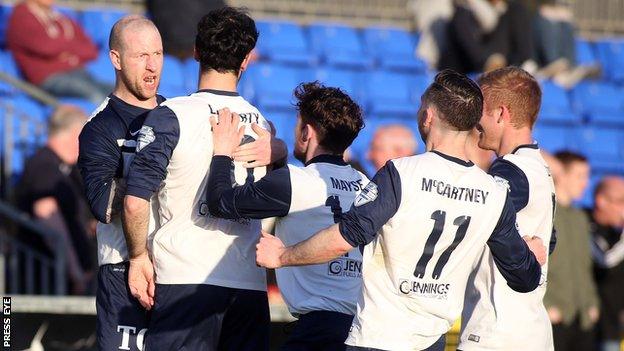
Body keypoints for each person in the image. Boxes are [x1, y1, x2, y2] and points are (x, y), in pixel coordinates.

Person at [256, 70, 546, 351]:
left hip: (381, 337)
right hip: (433, 341)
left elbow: (345, 237)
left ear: (427, 117)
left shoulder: (401, 174)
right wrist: (528, 258)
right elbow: (525, 279)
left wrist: (282, 256)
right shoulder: (495, 192)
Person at [122, 7, 287, 351]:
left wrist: (137, 258)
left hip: (185, 283)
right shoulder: (264, 126)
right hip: (248, 286)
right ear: (245, 61)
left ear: (196, 51)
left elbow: (136, 201)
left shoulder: (170, 116)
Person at [207, 82, 367, 351]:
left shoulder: (294, 181)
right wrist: (278, 158)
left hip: (318, 330)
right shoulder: (365, 183)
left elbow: (220, 202)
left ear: (306, 132)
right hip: (361, 328)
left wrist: (221, 152)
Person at [77, 16, 164, 351]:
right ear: (115, 59)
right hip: (122, 270)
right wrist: (158, 173)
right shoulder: (99, 127)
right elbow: (103, 204)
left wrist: (277, 149)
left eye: (157, 54)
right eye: (141, 56)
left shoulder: (176, 114)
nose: (152, 66)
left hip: (177, 270)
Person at [459, 67, 556, 351]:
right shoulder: (538, 168)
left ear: (501, 114)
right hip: (529, 330)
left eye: (480, 110)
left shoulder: (510, 169)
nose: (474, 121)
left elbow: (470, 223)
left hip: (497, 332)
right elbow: (548, 240)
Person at [15, 105, 95, 294]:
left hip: (66, 281)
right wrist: (75, 273)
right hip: (47, 283)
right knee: (14, 324)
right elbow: (48, 217)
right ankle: (6, 324)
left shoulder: (67, 169)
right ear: (75, 134)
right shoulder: (44, 165)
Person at [543, 151, 598, 351]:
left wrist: (592, 303)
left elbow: (585, 267)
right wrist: (546, 305)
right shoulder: (545, 213)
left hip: (583, 318)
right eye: (579, 176)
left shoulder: (580, 218)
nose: (585, 183)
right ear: (561, 175)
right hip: (554, 318)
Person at [6, 0, 112, 103]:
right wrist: (72, 46)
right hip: (48, 78)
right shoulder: (21, 16)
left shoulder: (60, 17)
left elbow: (90, 49)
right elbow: (46, 47)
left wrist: (64, 50)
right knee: (94, 95)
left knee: (116, 92)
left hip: (77, 72)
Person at [440, 0, 537, 74]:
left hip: (500, 64)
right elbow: (471, 47)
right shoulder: (463, 12)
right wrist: (489, 61)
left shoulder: (511, 10)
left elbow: (523, 47)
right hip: (471, 69)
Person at [590, 176, 624, 351]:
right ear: (601, 200)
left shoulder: (616, 233)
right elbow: (606, 260)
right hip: (594, 326)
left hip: (616, 325)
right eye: (621, 201)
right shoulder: (585, 224)